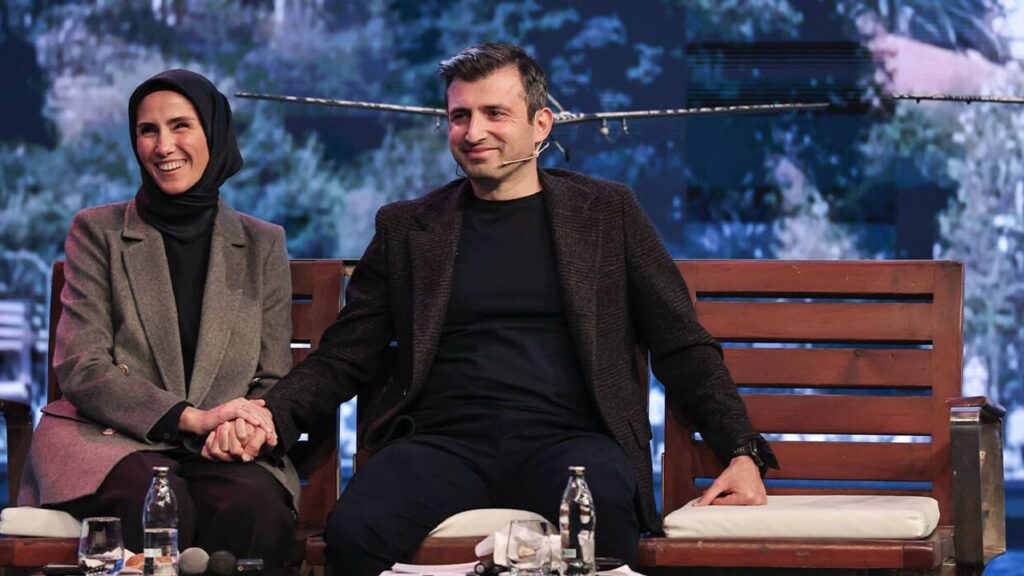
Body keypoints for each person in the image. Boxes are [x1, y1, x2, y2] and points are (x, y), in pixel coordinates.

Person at [231, 43, 778, 576]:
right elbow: (345, 356)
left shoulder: (606, 213)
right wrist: (271, 415)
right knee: (353, 533)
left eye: (495, 113)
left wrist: (741, 450)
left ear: (541, 125)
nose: (474, 132)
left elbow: (682, 344)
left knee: (607, 520)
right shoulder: (408, 228)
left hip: (572, 445)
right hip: (442, 444)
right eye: (459, 116)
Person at [18, 69, 298, 572]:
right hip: (111, 441)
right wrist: (189, 417)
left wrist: (241, 428)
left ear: (214, 133)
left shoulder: (263, 243)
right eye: (148, 130)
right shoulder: (97, 231)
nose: (163, 146)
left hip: (218, 448)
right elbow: (82, 365)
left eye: (180, 126)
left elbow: (272, 376)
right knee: (159, 498)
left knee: (253, 506)